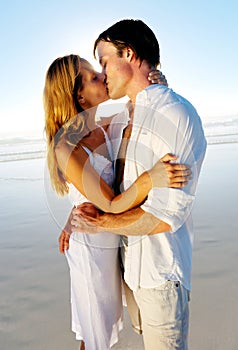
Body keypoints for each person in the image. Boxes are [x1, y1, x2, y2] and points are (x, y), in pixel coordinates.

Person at [71, 19, 207, 350]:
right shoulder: (123, 120)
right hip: (131, 273)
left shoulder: (174, 114)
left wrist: (104, 223)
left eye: (104, 62)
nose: (102, 75)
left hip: (160, 276)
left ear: (129, 54)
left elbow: (165, 217)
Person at [43, 54, 191, 350]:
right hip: (92, 248)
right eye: (94, 77)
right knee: (95, 331)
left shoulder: (102, 126)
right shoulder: (67, 148)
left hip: (110, 237)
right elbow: (110, 202)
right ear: (80, 96)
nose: (103, 76)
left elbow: (140, 110)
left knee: (104, 324)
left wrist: (158, 85)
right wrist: (152, 177)